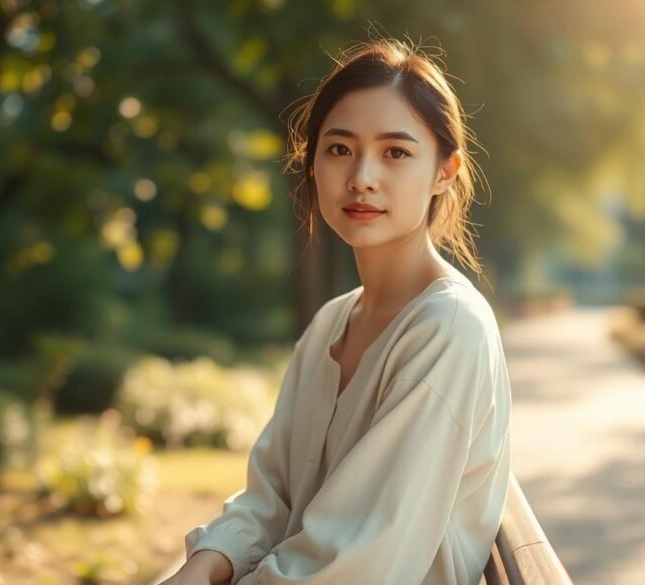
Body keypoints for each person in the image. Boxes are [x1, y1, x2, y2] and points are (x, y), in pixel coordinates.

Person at [159, 37, 512, 585]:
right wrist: (208, 563)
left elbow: (358, 562)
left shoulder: (448, 329)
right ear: (313, 163)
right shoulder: (331, 322)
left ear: (445, 171)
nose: (362, 177)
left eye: (396, 152)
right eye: (340, 148)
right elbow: (270, 495)